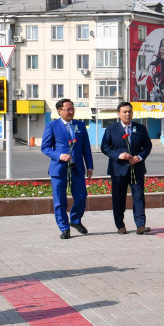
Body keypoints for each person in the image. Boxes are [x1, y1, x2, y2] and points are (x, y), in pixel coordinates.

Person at [41, 98, 94, 239]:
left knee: (82, 197)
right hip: (59, 168)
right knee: (60, 200)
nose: (71, 112)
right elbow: (45, 148)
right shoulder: (52, 126)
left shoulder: (80, 126)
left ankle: (75, 220)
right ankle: (64, 228)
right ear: (59, 111)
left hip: (77, 168)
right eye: (68, 109)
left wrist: (89, 166)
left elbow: (86, 148)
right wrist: (59, 155)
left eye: (72, 109)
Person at [100, 101, 152, 234]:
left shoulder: (140, 128)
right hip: (118, 169)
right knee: (118, 198)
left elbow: (147, 146)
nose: (127, 114)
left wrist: (139, 157)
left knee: (138, 196)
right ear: (119, 114)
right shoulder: (111, 129)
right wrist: (119, 155)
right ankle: (120, 225)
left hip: (137, 168)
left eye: (129, 111)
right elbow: (105, 148)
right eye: (124, 112)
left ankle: (140, 225)